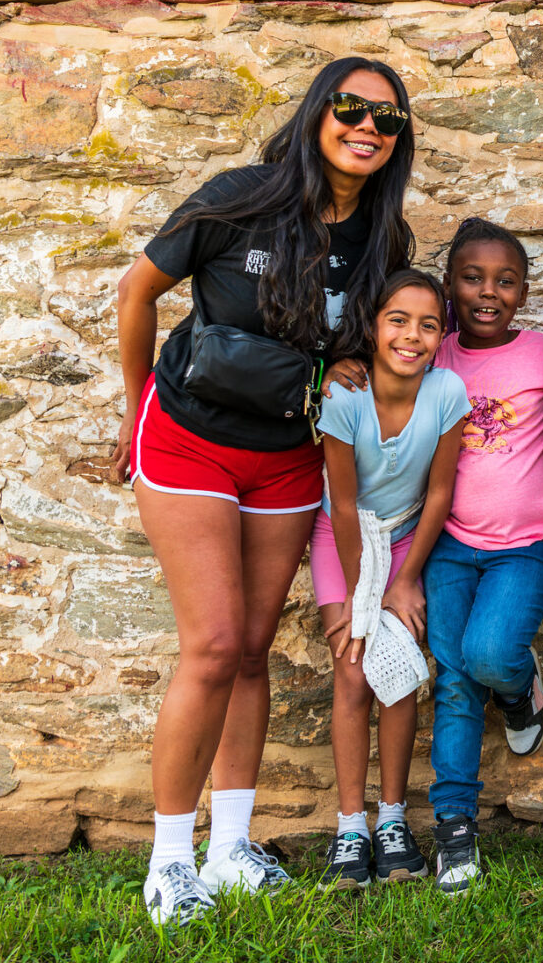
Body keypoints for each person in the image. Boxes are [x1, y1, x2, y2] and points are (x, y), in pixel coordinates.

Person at [108, 58, 416, 925]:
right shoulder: (241, 196)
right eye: (352, 108)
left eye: (387, 119)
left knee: (249, 650)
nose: (367, 126)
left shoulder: (383, 242)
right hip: (190, 440)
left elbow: (370, 340)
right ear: (321, 112)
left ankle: (233, 847)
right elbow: (139, 293)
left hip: (286, 456)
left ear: (398, 141)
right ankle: (171, 863)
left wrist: (350, 360)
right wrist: (135, 411)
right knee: (209, 646)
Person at [422, 217, 543, 895]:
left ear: (524, 291)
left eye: (506, 281)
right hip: (451, 544)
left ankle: (519, 689)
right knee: (453, 682)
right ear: (450, 285)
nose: (489, 292)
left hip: (531, 543)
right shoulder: (436, 354)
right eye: (473, 278)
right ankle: (455, 831)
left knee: (487, 657)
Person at [313, 269, 469, 891]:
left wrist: (404, 582)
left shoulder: (447, 392)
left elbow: (438, 493)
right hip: (344, 538)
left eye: (429, 325)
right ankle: (352, 827)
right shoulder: (343, 396)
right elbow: (344, 508)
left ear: (442, 335)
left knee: (398, 669)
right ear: (373, 327)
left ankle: (394, 820)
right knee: (353, 666)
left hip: (405, 538)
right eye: (398, 320)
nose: (412, 336)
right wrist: (366, 595)